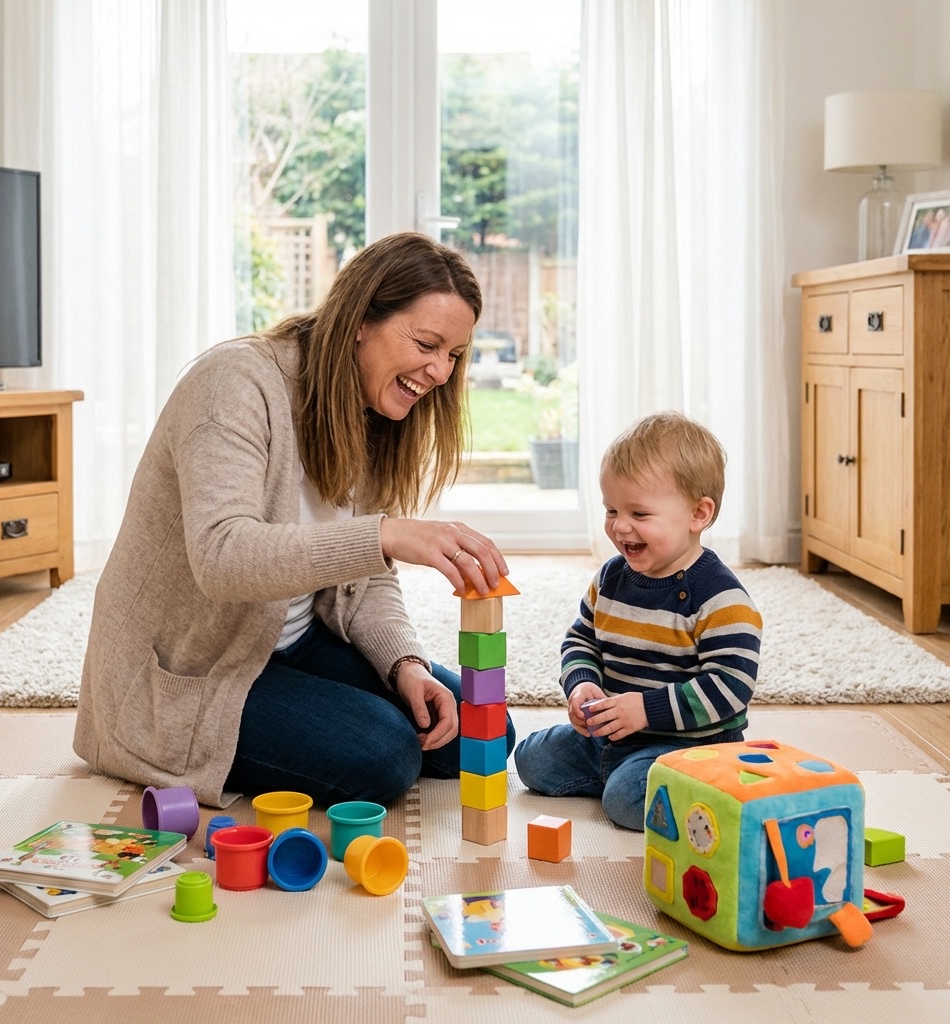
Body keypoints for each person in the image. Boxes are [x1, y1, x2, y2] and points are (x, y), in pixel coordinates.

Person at [73, 232, 516, 810]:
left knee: (483, 730)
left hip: (295, 639)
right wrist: (386, 534)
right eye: (428, 344)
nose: (439, 371)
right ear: (361, 318)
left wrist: (404, 663)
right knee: (387, 756)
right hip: (195, 666)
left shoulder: (375, 409)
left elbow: (366, 578)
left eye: (454, 354)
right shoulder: (233, 384)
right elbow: (223, 558)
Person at [513, 411, 762, 830]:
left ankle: (693, 787)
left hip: (689, 746)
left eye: (639, 514)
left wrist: (647, 710)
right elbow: (581, 639)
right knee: (529, 759)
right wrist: (581, 685)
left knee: (626, 801)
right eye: (612, 509)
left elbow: (730, 688)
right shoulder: (611, 578)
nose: (619, 526)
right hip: (615, 734)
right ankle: (620, 774)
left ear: (698, 514)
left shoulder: (722, 599)